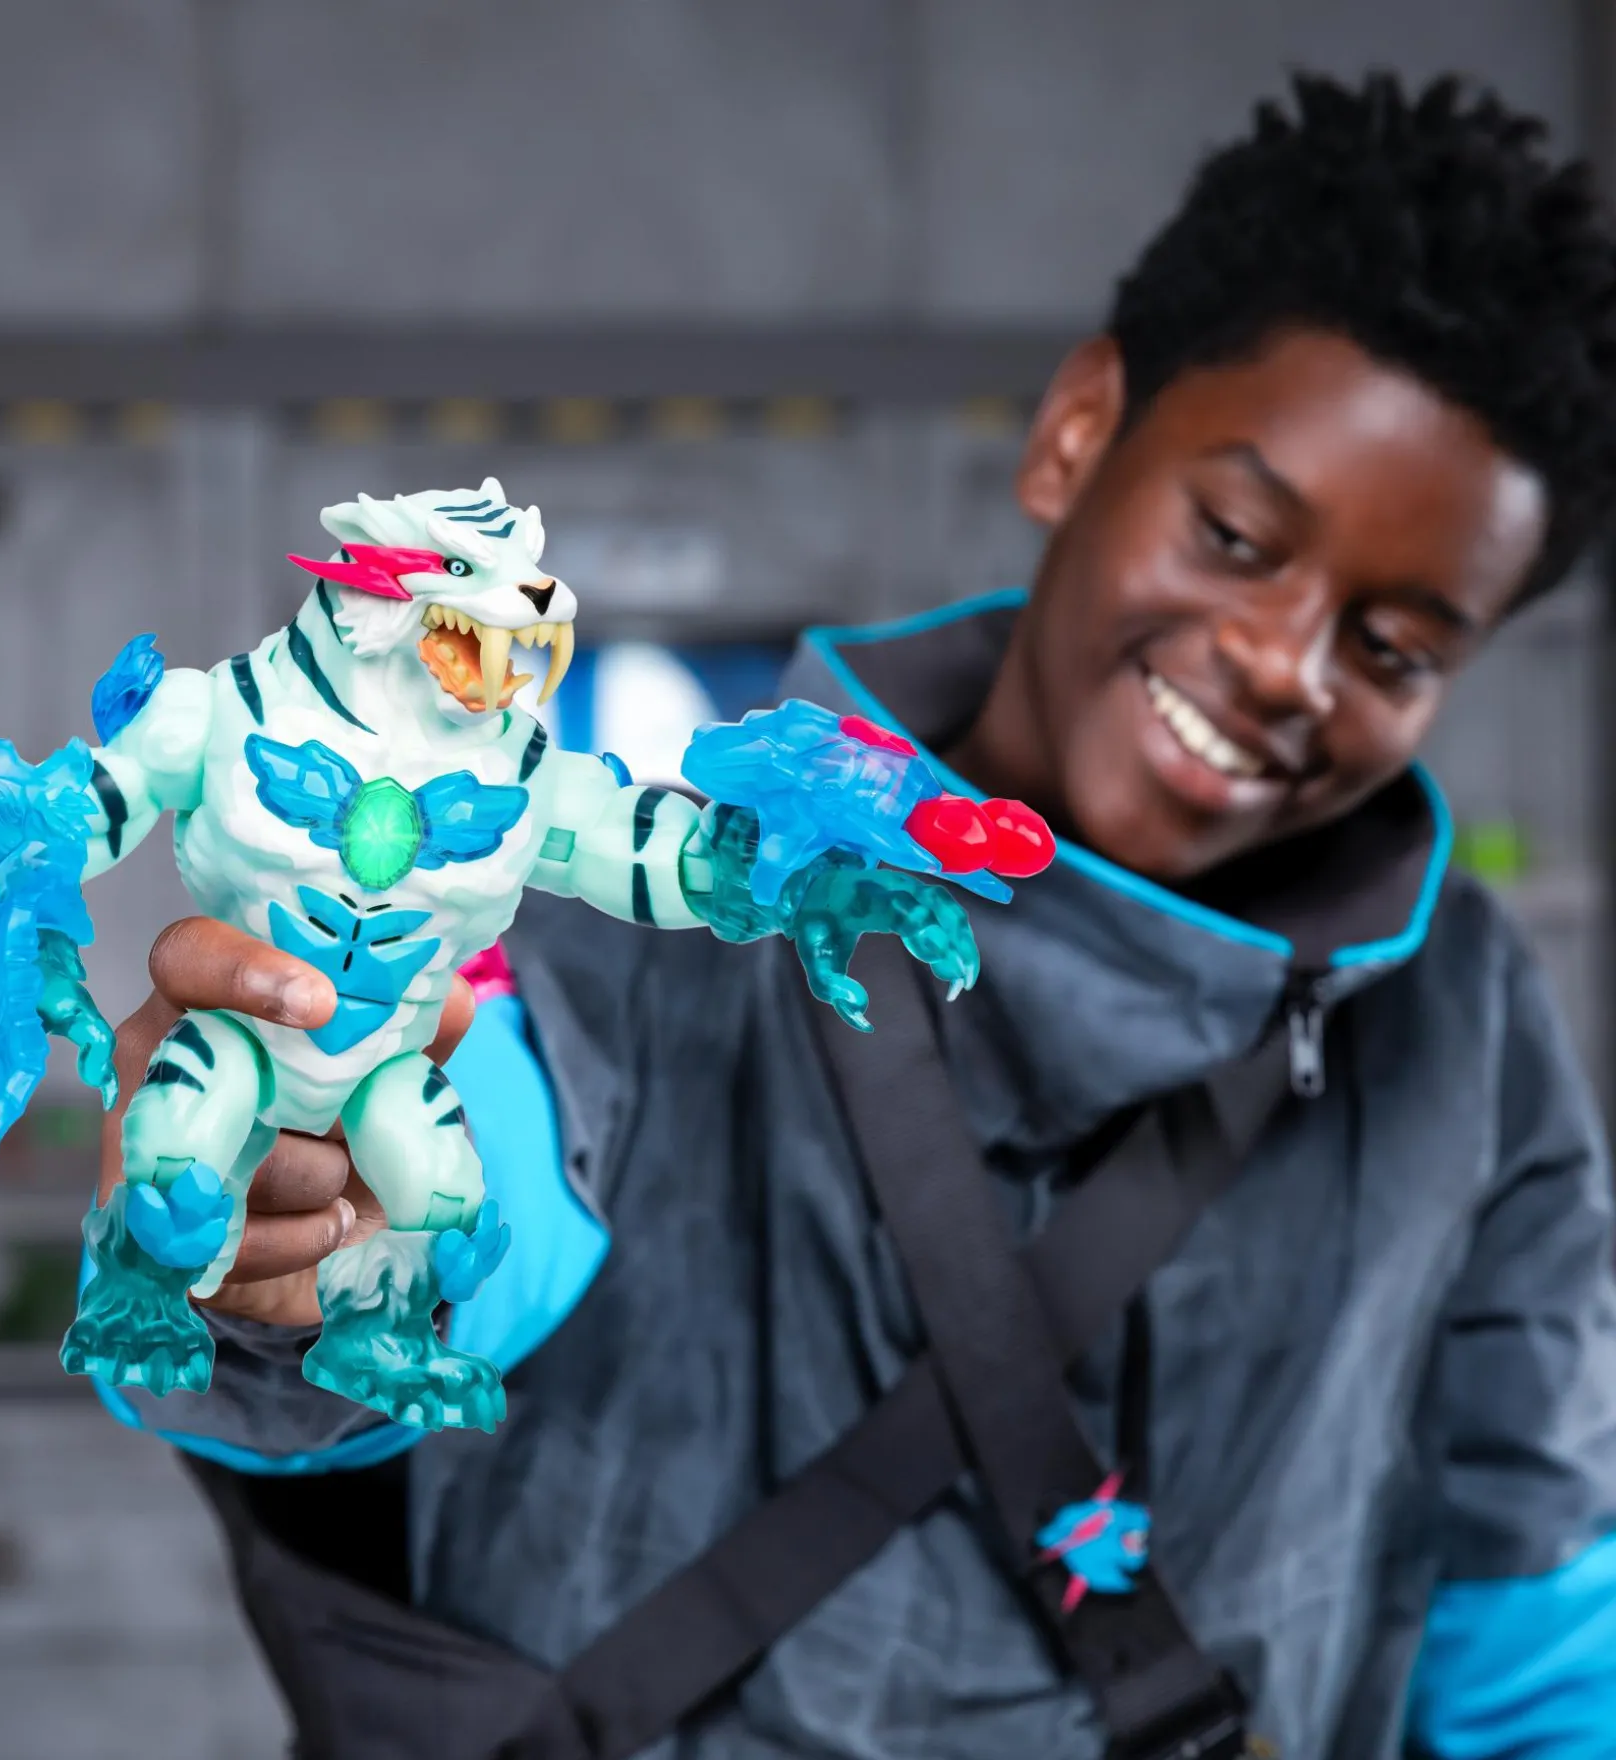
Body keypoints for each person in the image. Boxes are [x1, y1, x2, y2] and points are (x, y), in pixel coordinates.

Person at [91, 73, 1616, 1758]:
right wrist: (303, 1228)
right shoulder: (677, 885)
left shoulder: (1465, 1025)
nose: (1284, 664)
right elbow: (487, 1183)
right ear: (1077, 433)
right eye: (1238, 535)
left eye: (1393, 648)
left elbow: (1533, 1635)